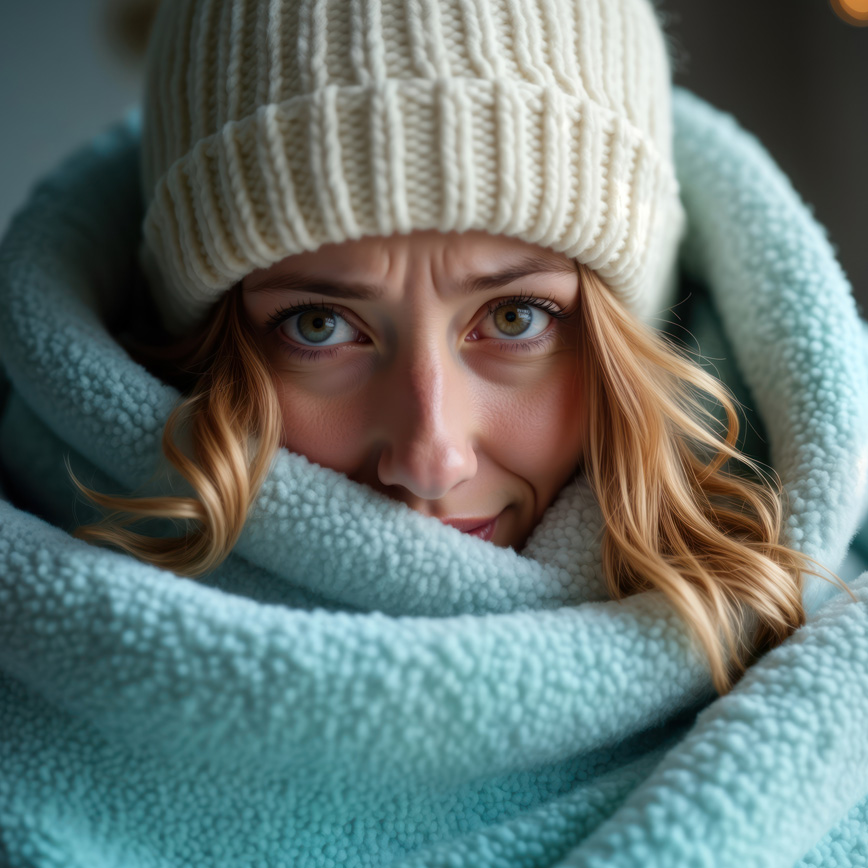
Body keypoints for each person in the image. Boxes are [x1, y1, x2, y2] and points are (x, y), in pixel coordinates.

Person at [2, 0, 868, 865]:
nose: (430, 453)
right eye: (317, 326)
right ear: (208, 354)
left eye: (516, 315)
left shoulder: (823, 644)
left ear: (624, 346)